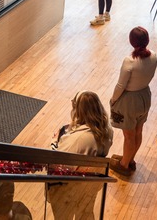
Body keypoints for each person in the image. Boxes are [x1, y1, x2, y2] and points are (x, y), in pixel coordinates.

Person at [48, 91, 113, 219]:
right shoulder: (107, 130)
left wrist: (54, 141)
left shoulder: (78, 140)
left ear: (80, 111)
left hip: (68, 188)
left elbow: (58, 161)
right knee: (86, 212)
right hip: (90, 184)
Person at [108, 27, 157, 176]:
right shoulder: (154, 56)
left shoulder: (130, 61)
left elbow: (120, 85)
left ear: (131, 41)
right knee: (138, 131)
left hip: (129, 100)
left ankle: (124, 165)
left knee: (129, 135)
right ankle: (130, 159)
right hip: (145, 95)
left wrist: (113, 100)